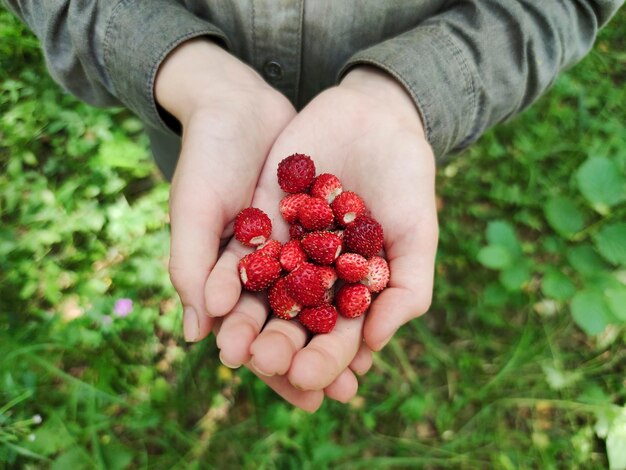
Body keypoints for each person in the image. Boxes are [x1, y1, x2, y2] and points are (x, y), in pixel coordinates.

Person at [4, 0, 622, 412]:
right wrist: (187, 73)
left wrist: (413, 97)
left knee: (404, 184)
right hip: (201, 131)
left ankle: (413, 165)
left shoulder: (326, 215)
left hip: (398, 136)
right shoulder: (293, 223)